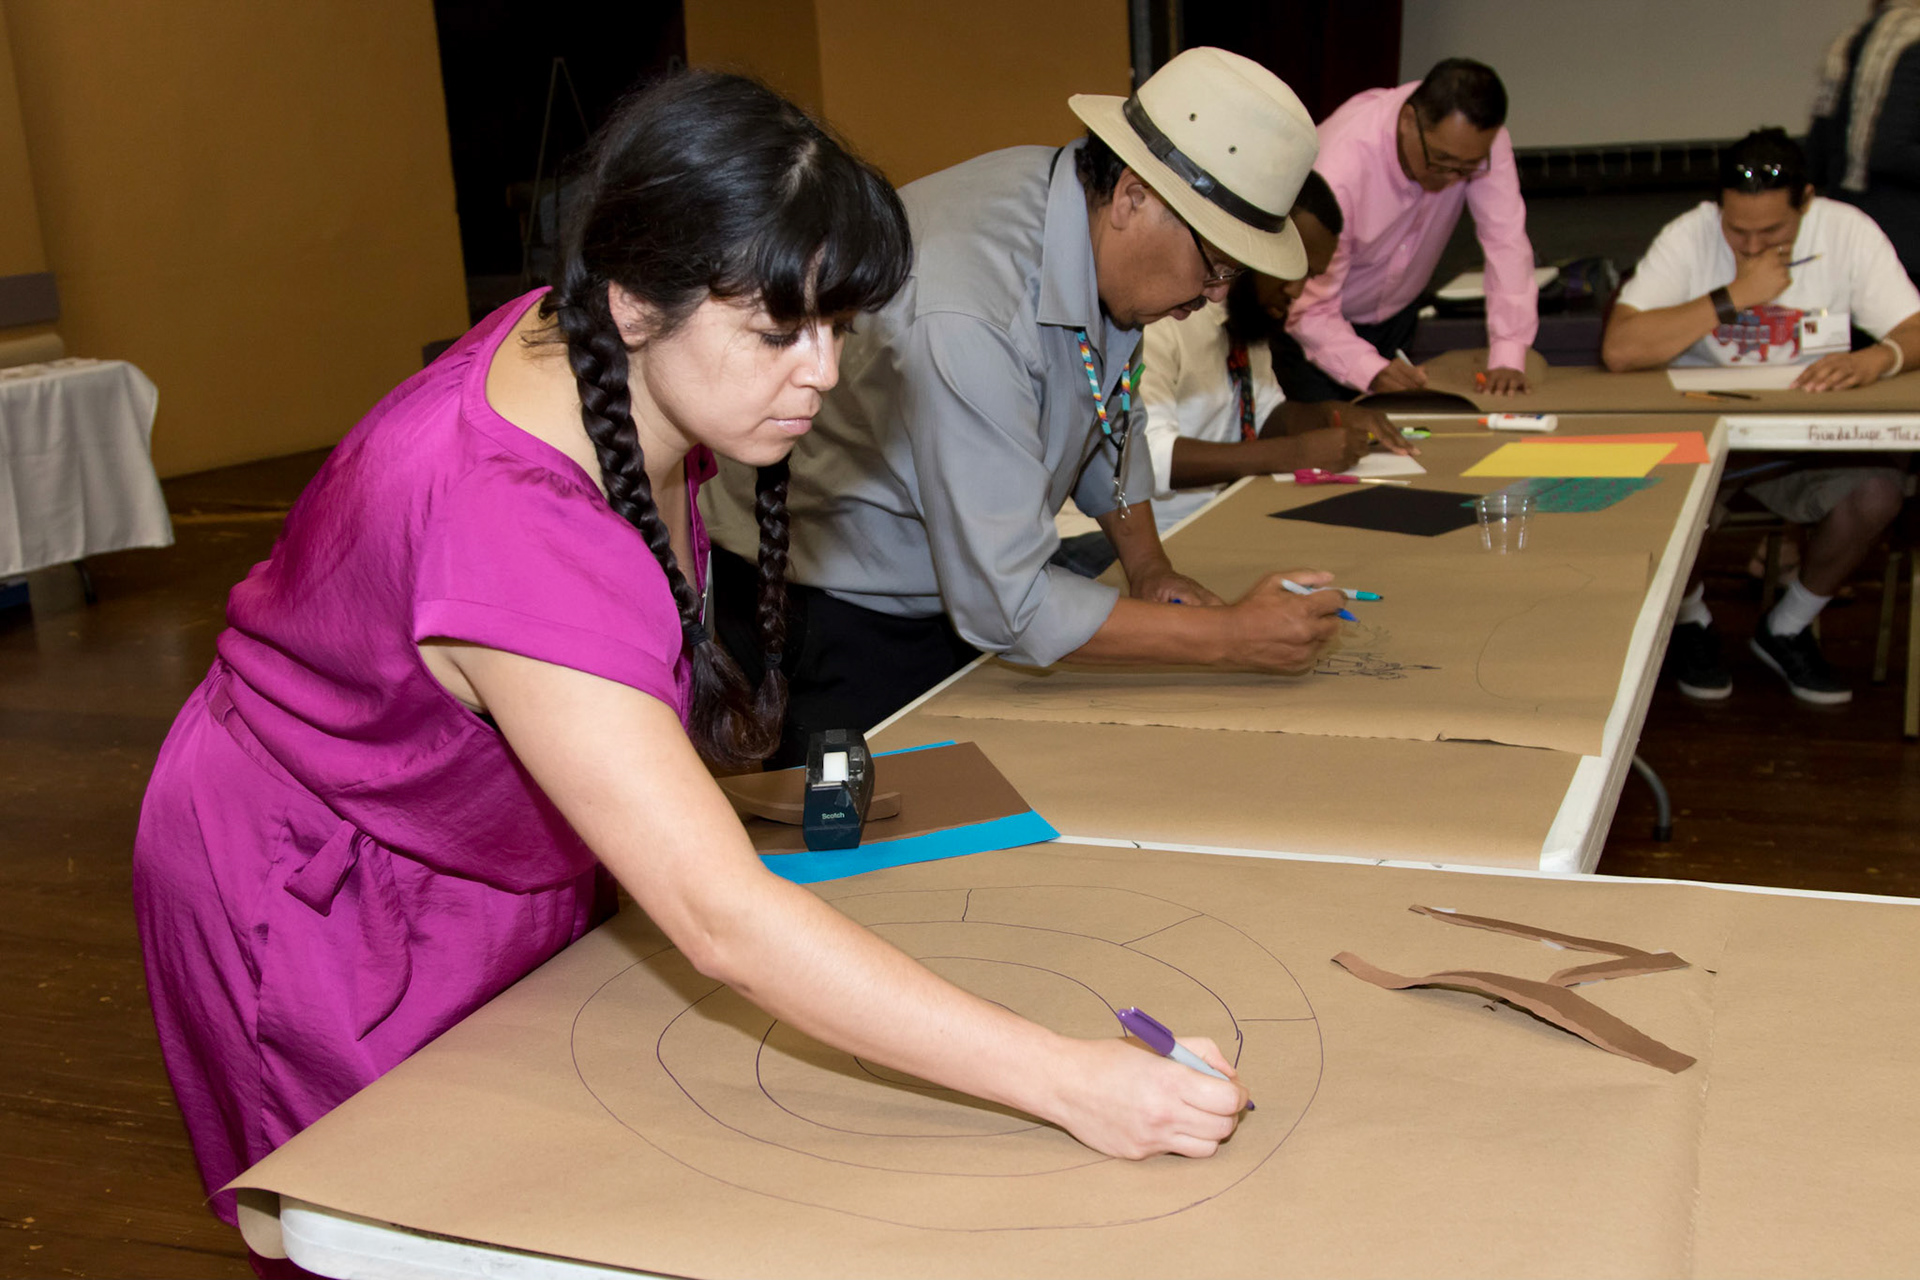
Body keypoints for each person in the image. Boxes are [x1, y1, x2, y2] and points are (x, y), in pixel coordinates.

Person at [132, 73, 1251, 1246]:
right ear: (632, 299)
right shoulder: (514, 518)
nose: (821, 370)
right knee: (404, 1224)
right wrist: (1075, 1081)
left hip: (481, 829)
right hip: (326, 884)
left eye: (837, 327)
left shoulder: (637, 366)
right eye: (780, 330)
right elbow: (719, 921)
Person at [702, 48, 1347, 767]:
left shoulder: (1094, 232)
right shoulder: (972, 308)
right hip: (827, 611)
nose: (1216, 293)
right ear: (1134, 196)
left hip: (949, 590)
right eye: (1216, 264)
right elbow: (1009, 605)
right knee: (873, 857)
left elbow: (1108, 411)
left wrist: (1150, 567)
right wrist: (1233, 639)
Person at [1603, 127, 1920, 703]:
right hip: (1708, 437)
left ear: (1807, 201)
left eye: (1771, 231)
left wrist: (1880, 357)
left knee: (1877, 493)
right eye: (1736, 229)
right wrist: (1734, 295)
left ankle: (1788, 626)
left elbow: (1913, 327)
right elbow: (1621, 349)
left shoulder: (1846, 229)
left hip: (1808, 437)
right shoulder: (1690, 233)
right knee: (1663, 497)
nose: (1750, 246)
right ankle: (1691, 621)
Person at [1141, 170, 1414, 535]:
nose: (1297, 290)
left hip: (1223, 517)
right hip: (1145, 534)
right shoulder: (1162, 314)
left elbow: (1263, 413)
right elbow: (1145, 459)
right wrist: (1295, 454)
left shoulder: (1245, 314)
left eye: (1310, 276)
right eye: (1290, 269)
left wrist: (1329, 415)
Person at [1275, 58, 1538, 402]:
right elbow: (1308, 307)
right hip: (1309, 330)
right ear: (1410, 122)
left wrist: (1508, 352)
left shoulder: (1479, 145)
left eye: (1467, 168)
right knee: (1322, 443)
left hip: (1397, 315)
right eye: (1441, 162)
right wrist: (1369, 368)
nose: (1452, 178)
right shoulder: (1340, 170)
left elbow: (1505, 241)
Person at [1810, 0, 1920, 283]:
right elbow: (1888, 150)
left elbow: (1818, 153)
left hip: (1851, 229)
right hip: (1906, 238)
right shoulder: (1913, 45)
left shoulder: (1851, 41)